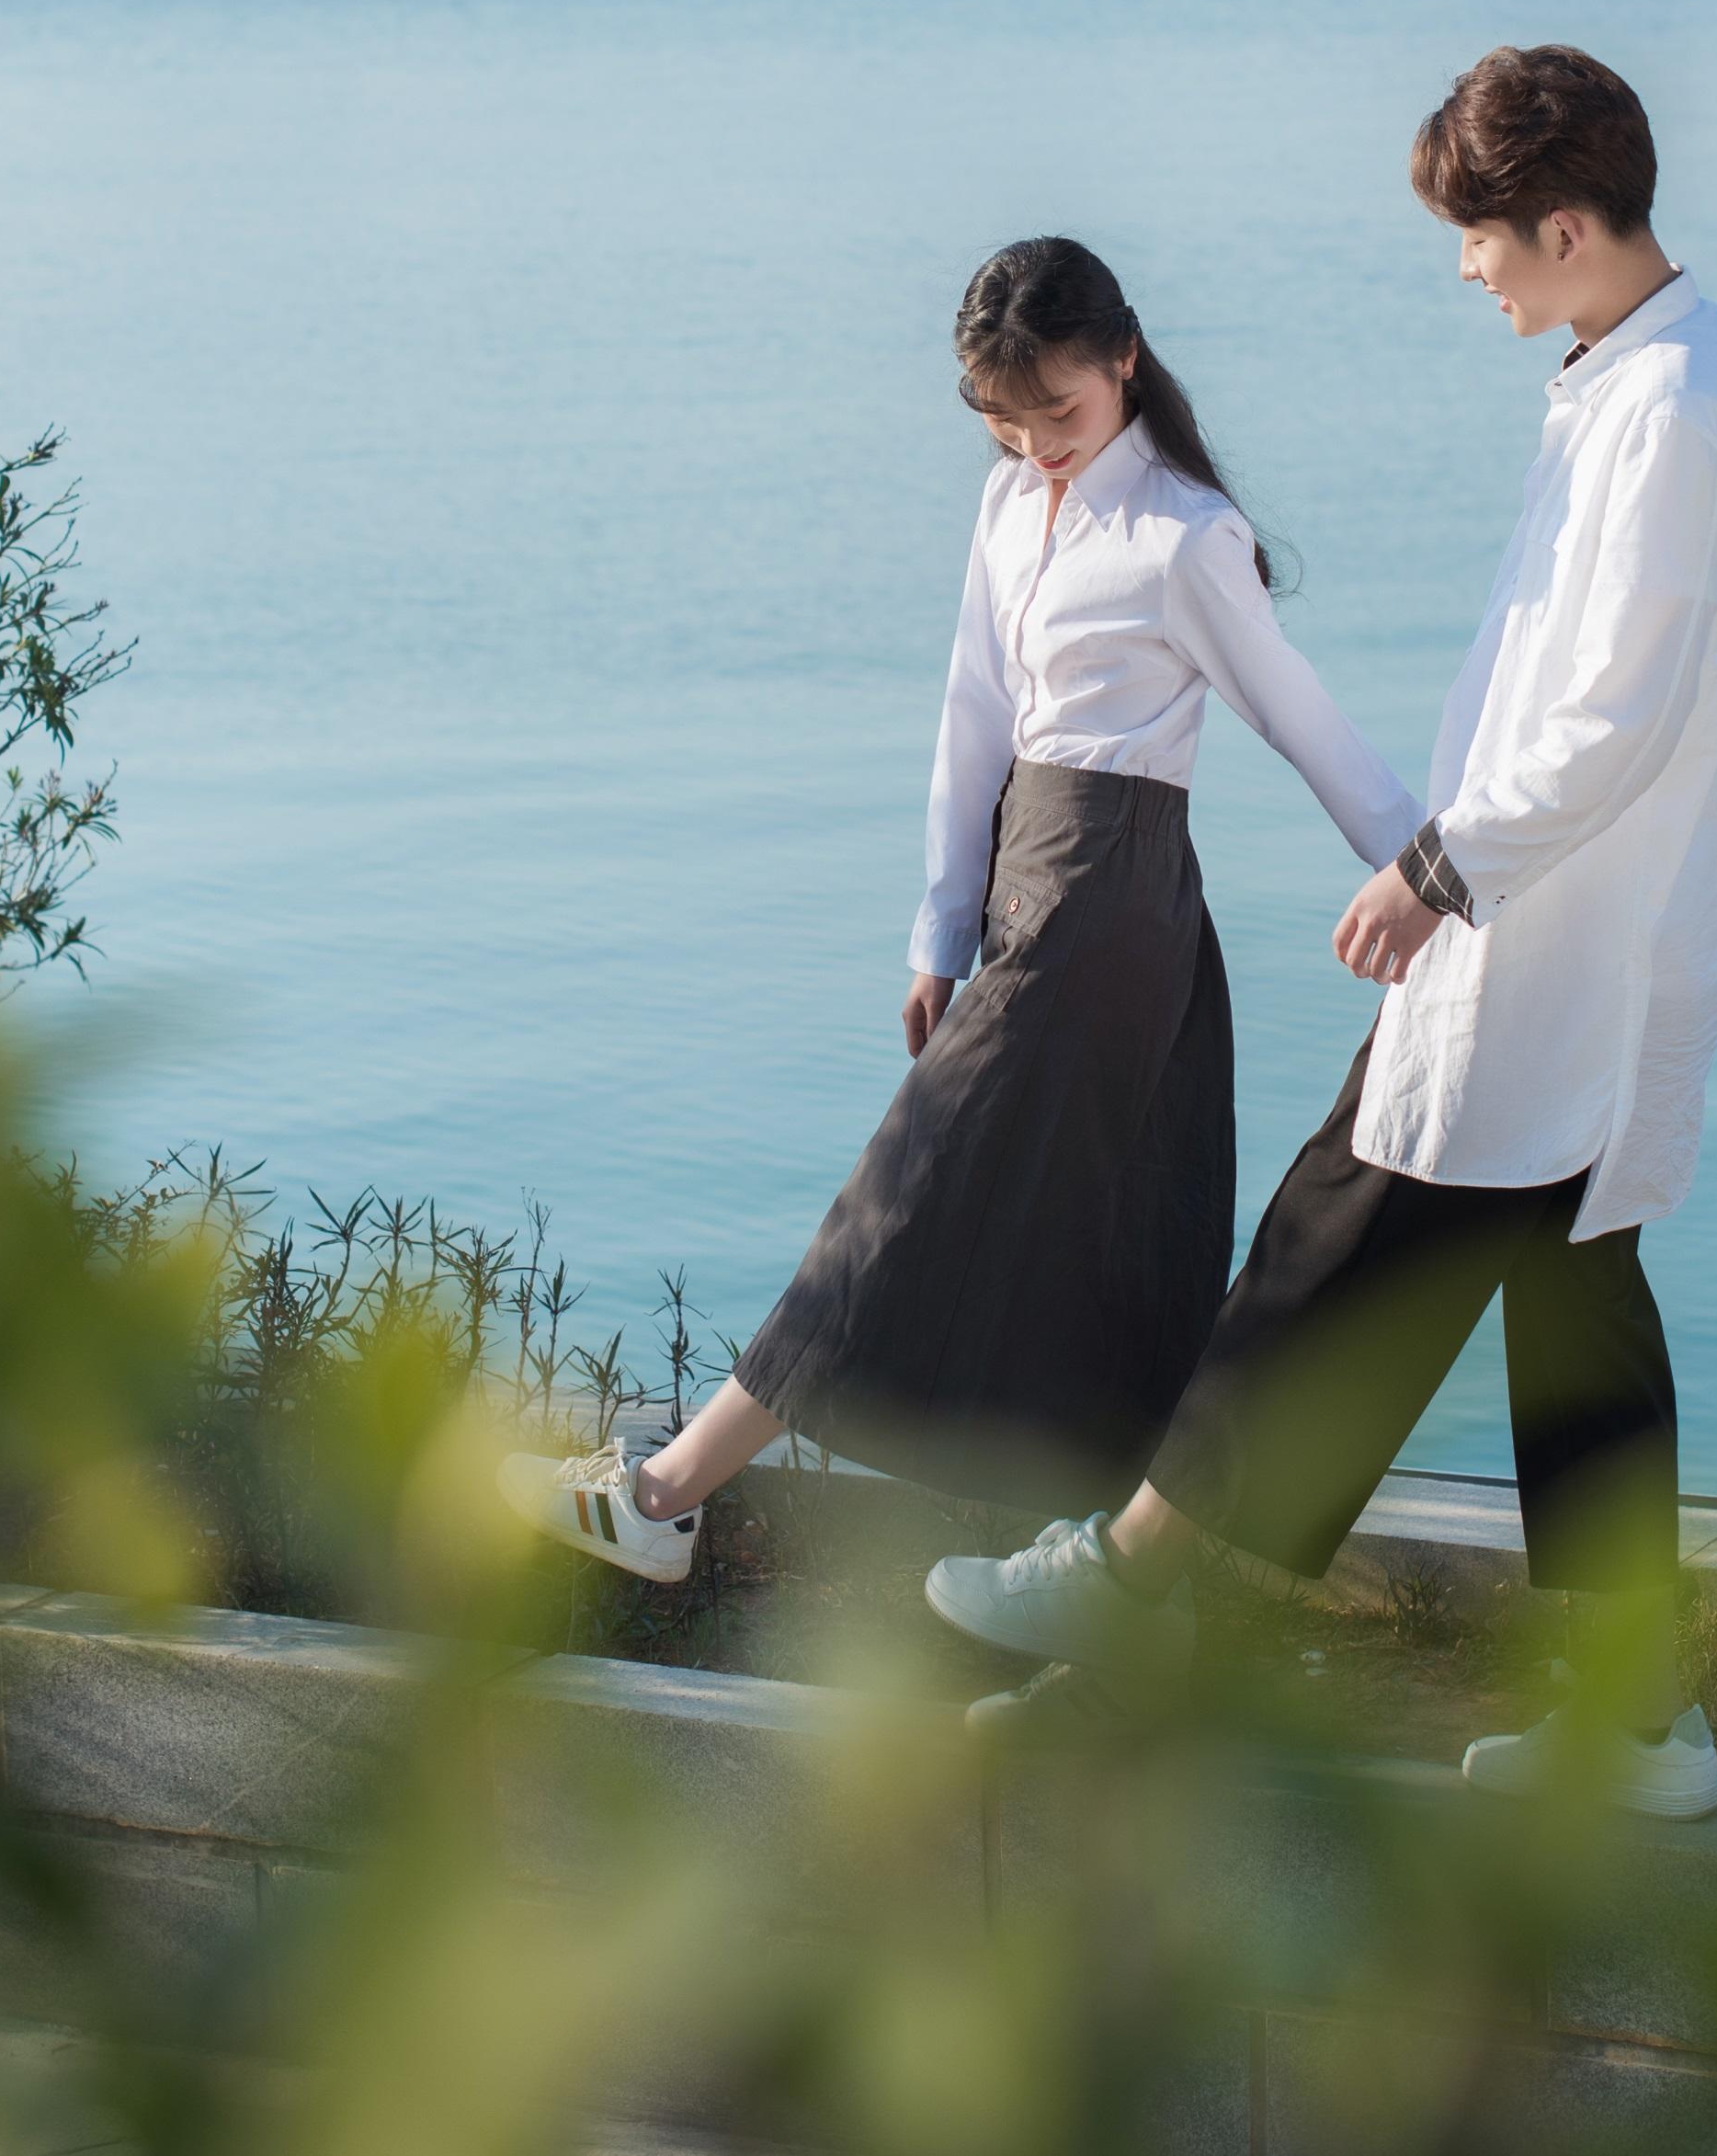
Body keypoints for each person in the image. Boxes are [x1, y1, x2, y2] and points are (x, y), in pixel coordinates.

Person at [917, 46, 1717, 1824]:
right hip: (1547, 936)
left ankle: (1139, 1580)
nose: (1465, 269)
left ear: (1557, 222)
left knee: (1334, 1237)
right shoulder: (1627, 376)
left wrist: (1437, 868)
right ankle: (1636, 1727)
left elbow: (1610, 716)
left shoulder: (1673, 406)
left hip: (1549, 931)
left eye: (1475, 239)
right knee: (1571, 1319)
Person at [501, 237, 1420, 1575]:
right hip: (1031, 890)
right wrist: (938, 928)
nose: (1042, 441)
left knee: (909, 1189)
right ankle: (1119, 1553)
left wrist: (1437, 874)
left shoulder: (1184, 536)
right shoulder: (1007, 503)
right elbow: (972, 717)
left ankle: (661, 1496)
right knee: (1100, 1217)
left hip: (1112, 899)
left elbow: (1303, 720)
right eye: (1008, 417)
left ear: (1123, 358)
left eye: (1063, 409)